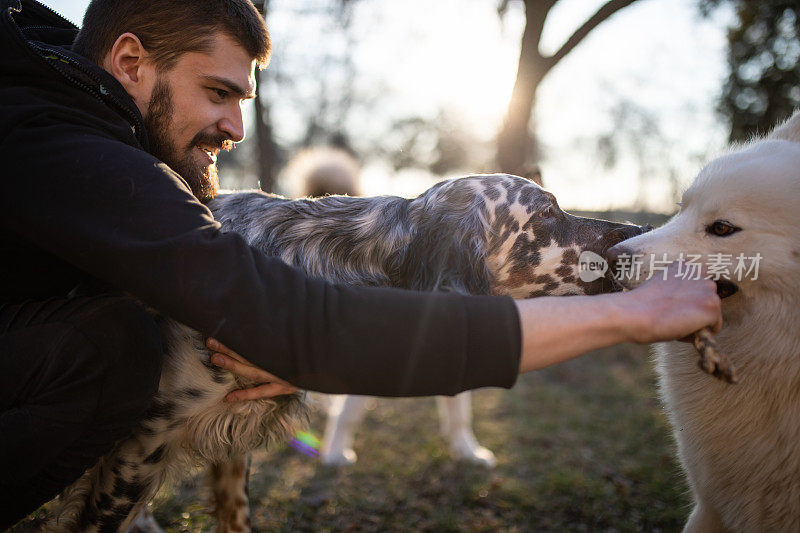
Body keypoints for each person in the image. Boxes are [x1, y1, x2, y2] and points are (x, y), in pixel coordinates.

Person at [0, 0, 722, 526]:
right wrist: (628, 311)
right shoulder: (61, 141)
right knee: (112, 349)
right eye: (217, 93)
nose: (236, 127)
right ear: (128, 61)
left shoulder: (66, 93)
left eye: (242, 98)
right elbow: (291, 316)